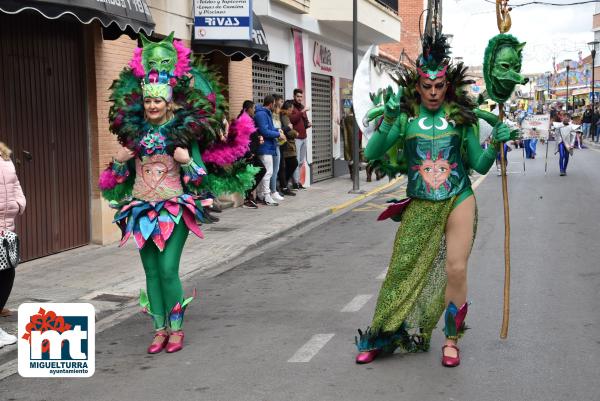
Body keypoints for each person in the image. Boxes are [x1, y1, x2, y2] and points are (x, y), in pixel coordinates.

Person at [355, 32, 516, 367]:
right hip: (420, 202)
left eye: (438, 86)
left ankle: (452, 340)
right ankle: (383, 334)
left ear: (447, 85)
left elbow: (477, 164)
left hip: (458, 196)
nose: (432, 92)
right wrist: (386, 121)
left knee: (456, 268)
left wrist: (494, 145)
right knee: (401, 270)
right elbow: (370, 152)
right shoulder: (404, 117)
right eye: (426, 86)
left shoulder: (461, 118)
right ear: (417, 86)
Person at [99, 33, 257, 354]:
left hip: (174, 210)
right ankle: (158, 329)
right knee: (150, 271)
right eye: (148, 101)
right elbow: (113, 186)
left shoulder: (184, 135)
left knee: (168, 269)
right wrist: (117, 164)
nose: (152, 105)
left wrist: (186, 164)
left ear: (169, 101)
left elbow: (200, 182)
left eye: (158, 100)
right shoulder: (135, 135)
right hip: (141, 210)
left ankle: (177, 329)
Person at [0, 142, 25, 349]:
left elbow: (16, 185)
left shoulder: (4, 156)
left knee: (7, 273)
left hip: (7, 228)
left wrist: (19, 204)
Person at [254, 95, 286, 206]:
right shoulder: (262, 114)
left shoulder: (265, 113)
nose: (275, 106)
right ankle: (266, 196)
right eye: (274, 104)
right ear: (271, 104)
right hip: (264, 148)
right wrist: (278, 134)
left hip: (267, 147)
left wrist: (277, 130)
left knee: (265, 172)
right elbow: (264, 131)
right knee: (268, 172)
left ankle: (261, 195)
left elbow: (270, 129)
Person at [237, 101, 265, 209]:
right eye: (253, 108)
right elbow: (240, 140)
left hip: (252, 153)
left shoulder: (249, 119)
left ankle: (248, 197)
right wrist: (248, 153)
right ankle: (247, 199)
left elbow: (253, 134)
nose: (254, 110)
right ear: (248, 109)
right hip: (248, 154)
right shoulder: (242, 120)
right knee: (260, 171)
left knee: (257, 173)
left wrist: (259, 138)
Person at [289, 89, 311, 189]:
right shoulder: (292, 107)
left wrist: (308, 124)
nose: (299, 98)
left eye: (301, 96)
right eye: (297, 96)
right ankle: (296, 183)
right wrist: (301, 112)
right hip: (296, 138)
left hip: (304, 137)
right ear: (294, 96)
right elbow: (292, 120)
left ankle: (297, 181)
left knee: (301, 161)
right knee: (296, 161)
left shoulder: (302, 107)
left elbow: (304, 121)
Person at [280, 100, 299, 193]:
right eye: (291, 110)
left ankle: (284, 185)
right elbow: (289, 131)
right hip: (287, 145)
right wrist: (296, 133)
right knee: (292, 163)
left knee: (289, 164)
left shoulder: (286, 116)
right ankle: (283, 185)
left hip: (288, 145)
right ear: (287, 109)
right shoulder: (284, 117)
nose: (292, 112)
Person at [270, 94, 285, 201]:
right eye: (280, 101)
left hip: (278, 144)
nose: (281, 104)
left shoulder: (277, 115)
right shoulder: (270, 115)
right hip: (273, 145)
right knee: (274, 170)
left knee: (276, 169)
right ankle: (273, 191)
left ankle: (273, 189)